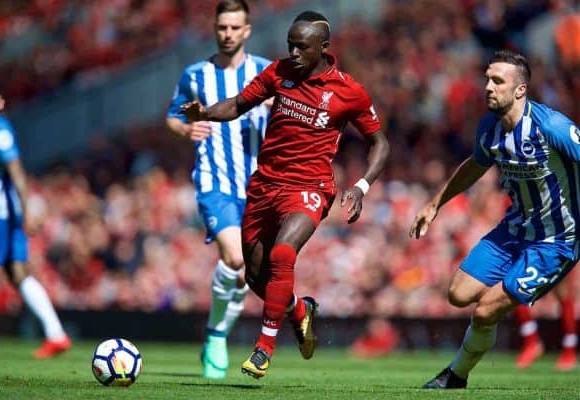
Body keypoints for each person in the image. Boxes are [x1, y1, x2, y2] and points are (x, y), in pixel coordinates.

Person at [183, 10, 389, 379]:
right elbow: (238, 104)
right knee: (256, 277)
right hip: (264, 186)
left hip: (309, 188)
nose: (293, 53)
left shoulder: (348, 91)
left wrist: (361, 186)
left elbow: (380, 142)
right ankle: (298, 311)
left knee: (283, 253)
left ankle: (263, 350)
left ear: (323, 49)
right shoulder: (279, 72)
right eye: (290, 45)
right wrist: (206, 113)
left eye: (301, 47)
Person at [410, 49, 580, 389]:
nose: (488, 86)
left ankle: (456, 375)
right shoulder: (490, 127)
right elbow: (476, 165)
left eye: (497, 81)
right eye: (487, 79)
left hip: (555, 241)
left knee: (485, 311)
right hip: (514, 231)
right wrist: (435, 204)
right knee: (458, 294)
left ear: (519, 90)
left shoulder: (553, 126)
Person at [165, 0, 271, 379]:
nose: (227, 34)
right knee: (236, 257)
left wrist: (278, 107)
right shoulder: (196, 74)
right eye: (222, 27)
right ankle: (215, 336)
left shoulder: (265, 72)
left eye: (234, 27)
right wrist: (185, 128)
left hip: (258, 187)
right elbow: (174, 115)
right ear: (215, 28)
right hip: (215, 182)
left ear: (247, 30)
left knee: (244, 274)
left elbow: (291, 117)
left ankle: (217, 332)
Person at [0, 92, 71, 358]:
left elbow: (16, 170)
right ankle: (56, 335)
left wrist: (27, 208)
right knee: (17, 272)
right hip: (0, 210)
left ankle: (56, 334)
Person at [514, 271, 577, 370]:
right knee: (516, 286)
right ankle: (531, 340)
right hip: (531, 255)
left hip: (558, 256)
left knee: (562, 291)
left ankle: (569, 348)